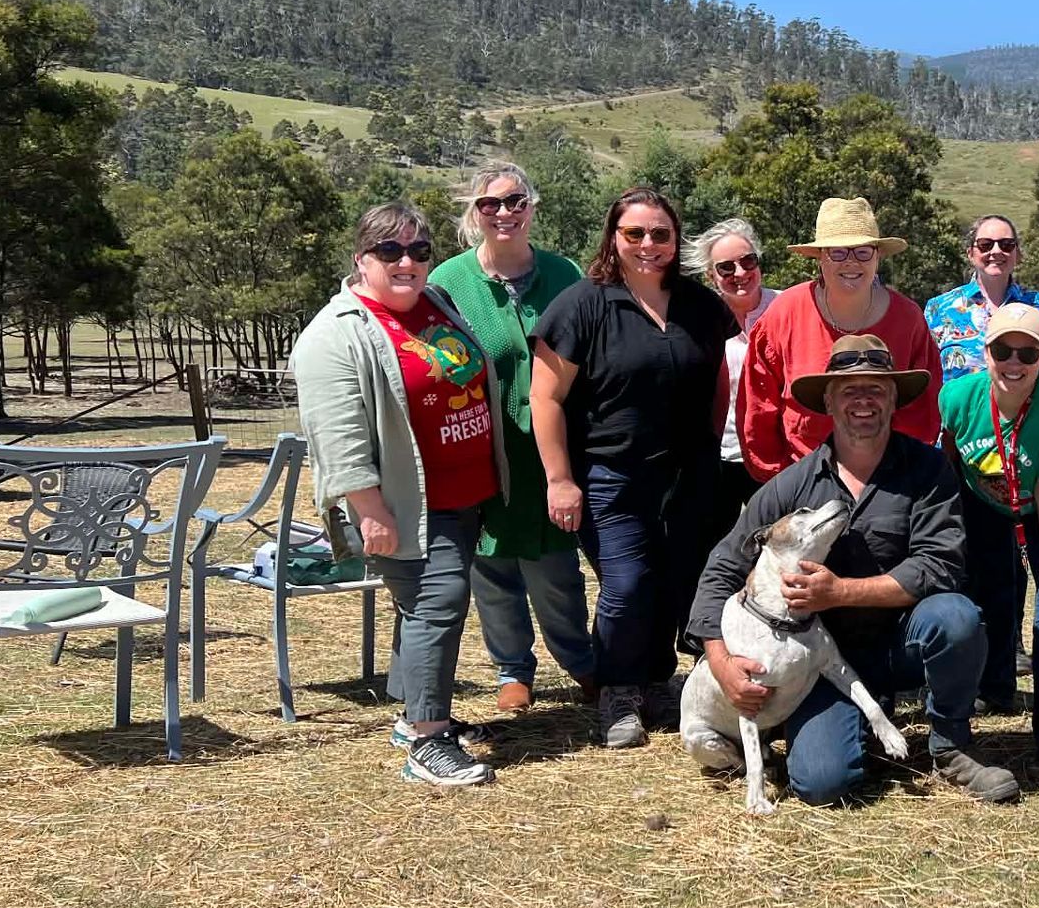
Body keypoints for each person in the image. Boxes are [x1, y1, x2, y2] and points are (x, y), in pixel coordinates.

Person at [688, 334, 1018, 806]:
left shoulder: (928, 470)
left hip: (906, 640)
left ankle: (951, 746)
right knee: (822, 783)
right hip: (820, 667)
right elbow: (721, 569)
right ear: (827, 400)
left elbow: (940, 565)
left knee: (957, 617)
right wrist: (722, 665)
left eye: (876, 389)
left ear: (893, 399)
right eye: (848, 389)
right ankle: (854, 722)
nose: (863, 400)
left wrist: (839, 591)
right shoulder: (790, 487)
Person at [291, 203, 506, 788]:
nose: (407, 262)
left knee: (425, 606)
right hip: (406, 504)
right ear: (361, 259)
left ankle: (415, 714)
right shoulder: (335, 334)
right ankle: (427, 739)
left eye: (418, 250)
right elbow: (337, 439)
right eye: (390, 252)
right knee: (437, 604)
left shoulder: (438, 303)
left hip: (465, 493)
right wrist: (371, 511)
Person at [530, 187, 737, 750]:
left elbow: (717, 380)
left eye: (661, 234)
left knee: (676, 580)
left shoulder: (701, 306)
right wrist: (560, 479)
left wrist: (710, 448)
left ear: (677, 239)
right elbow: (545, 398)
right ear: (613, 238)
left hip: (688, 475)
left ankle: (655, 679)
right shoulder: (582, 305)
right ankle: (617, 690)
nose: (649, 245)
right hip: (608, 474)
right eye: (635, 234)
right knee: (626, 584)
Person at [429, 161, 593, 713]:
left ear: (533, 206)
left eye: (516, 201)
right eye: (490, 204)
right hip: (479, 447)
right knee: (490, 563)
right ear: (475, 214)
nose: (505, 213)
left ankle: (579, 661)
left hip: (553, 445)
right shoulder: (448, 283)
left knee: (555, 567)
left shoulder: (564, 273)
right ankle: (511, 669)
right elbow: (430, 355)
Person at [938, 304, 1039, 774]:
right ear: (986, 352)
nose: (1014, 362)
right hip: (980, 500)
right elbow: (947, 458)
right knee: (983, 593)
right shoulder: (957, 397)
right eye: (1004, 349)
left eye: (1028, 353)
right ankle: (990, 690)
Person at [737, 197, 943, 481]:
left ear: (877, 255)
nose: (851, 262)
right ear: (819, 256)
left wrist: (898, 479)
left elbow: (922, 411)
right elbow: (758, 408)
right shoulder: (785, 313)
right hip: (803, 483)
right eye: (837, 252)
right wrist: (782, 483)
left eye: (862, 251)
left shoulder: (908, 319)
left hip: (890, 483)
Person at [682, 217, 779, 554]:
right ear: (711, 276)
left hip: (776, 457)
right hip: (717, 457)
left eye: (748, 261)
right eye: (726, 268)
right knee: (715, 553)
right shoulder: (695, 320)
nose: (740, 273)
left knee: (776, 550)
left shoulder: (786, 308)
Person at [924, 214, 1039, 383]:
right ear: (970, 254)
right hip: (958, 410)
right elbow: (927, 371)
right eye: (985, 245)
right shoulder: (938, 309)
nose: (996, 251)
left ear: (1017, 254)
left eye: (1006, 245)